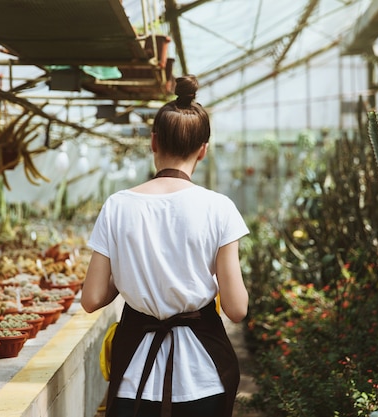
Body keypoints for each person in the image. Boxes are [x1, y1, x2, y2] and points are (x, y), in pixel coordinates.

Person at [81, 74, 249, 417]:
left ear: (153, 142)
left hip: (134, 374)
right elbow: (236, 309)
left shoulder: (118, 205)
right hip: (205, 376)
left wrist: (132, 272)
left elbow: (91, 298)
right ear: (204, 148)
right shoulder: (219, 208)